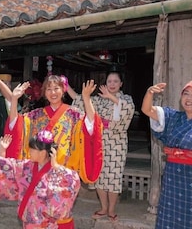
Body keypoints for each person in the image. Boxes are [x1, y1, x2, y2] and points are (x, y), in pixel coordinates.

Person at [6, 75, 103, 184]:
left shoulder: (73, 115)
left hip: (63, 172)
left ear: (63, 90)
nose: (53, 93)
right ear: (44, 93)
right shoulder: (36, 115)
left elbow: (91, 125)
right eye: (49, 89)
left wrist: (86, 98)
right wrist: (14, 99)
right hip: (39, 171)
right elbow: (16, 126)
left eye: (56, 88)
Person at [69, 70, 135, 222]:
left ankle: (111, 209)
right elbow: (81, 100)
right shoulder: (99, 100)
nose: (112, 84)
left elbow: (128, 109)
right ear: (105, 84)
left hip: (117, 142)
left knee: (113, 176)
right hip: (99, 141)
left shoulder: (126, 99)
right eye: (109, 81)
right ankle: (103, 207)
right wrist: (66, 88)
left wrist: (110, 96)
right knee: (98, 174)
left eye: (115, 81)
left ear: (121, 84)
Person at [0, 130, 81, 228]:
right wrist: (1, 150)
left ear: (42, 152)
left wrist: (56, 166)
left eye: (32, 149)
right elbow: (6, 167)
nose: (30, 152)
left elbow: (74, 180)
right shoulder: (27, 166)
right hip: (29, 222)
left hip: (49, 225)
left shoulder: (59, 173)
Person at [141, 81, 192, 229]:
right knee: (170, 216)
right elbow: (147, 110)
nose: (189, 98)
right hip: (173, 178)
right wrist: (150, 93)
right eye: (186, 94)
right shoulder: (173, 117)